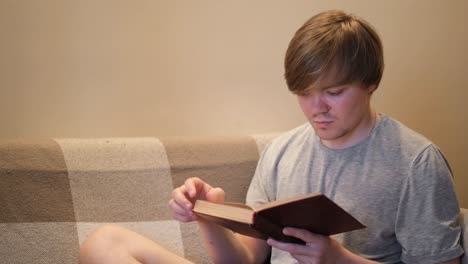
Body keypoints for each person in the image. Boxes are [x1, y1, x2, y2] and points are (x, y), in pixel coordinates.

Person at [79, 9, 463, 263]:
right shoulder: (282, 151)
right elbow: (247, 260)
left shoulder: (415, 162)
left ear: (371, 83)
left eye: (333, 92)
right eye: (304, 93)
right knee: (105, 243)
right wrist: (210, 216)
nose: (317, 109)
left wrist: (336, 259)